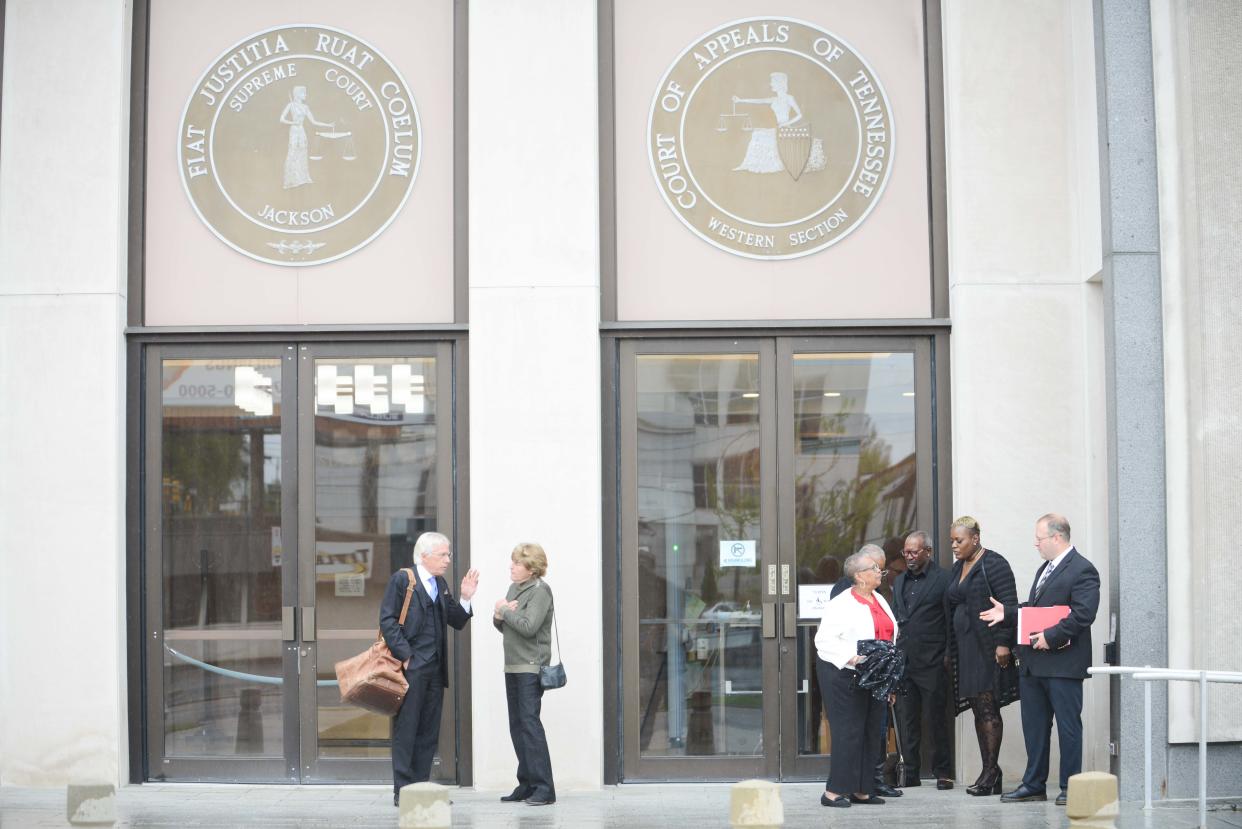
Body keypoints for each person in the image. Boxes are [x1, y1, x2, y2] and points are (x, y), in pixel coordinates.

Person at [982, 514, 1100, 806]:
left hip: (1064, 665)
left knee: (1068, 727)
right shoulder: (1044, 569)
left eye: (1040, 538)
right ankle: (1033, 784)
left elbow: (1083, 614)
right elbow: (1036, 610)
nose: (1036, 543)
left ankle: (1070, 788)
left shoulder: (1083, 570)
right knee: (1034, 727)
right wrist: (1008, 613)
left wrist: (1052, 636)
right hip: (1034, 664)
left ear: (1057, 537)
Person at [379, 532, 479, 806]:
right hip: (412, 668)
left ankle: (419, 788)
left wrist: (466, 598)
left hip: (435, 670)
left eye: (448, 554)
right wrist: (406, 657)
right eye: (443, 554)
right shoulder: (403, 580)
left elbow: (456, 620)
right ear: (424, 556)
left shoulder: (440, 583)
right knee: (406, 728)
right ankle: (402, 790)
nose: (448, 559)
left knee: (428, 731)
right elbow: (388, 621)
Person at [814, 551, 899, 808]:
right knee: (848, 731)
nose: (879, 571)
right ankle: (834, 792)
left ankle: (862, 789)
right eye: (874, 568)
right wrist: (851, 657)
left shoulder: (879, 599)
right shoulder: (840, 603)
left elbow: (890, 631)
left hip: (875, 674)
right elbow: (823, 641)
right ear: (860, 576)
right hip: (843, 674)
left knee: (871, 729)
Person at [945, 516, 1020, 797]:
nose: (954, 545)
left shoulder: (994, 564)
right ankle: (991, 771)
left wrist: (1003, 644)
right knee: (978, 709)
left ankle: (990, 772)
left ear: (975, 539)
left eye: (959, 540)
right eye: (952, 540)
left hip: (987, 648)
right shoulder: (957, 568)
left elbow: (1008, 605)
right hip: (965, 649)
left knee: (988, 708)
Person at [493, 542, 557, 806]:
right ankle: (527, 784)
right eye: (513, 561)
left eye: (517, 563)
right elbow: (505, 626)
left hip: (530, 667)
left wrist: (505, 610)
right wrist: (499, 615)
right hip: (512, 666)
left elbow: (529, 627)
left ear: (532, 569)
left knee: (530, 726)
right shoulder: (514, 589)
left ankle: (544, 788)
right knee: (517, 726)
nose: (512, 566)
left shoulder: (540, 591)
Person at [891, 530, 953, 790]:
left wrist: (949, 653)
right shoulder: (900, 580)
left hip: (933, 660)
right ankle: (911, 773)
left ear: (928, 551)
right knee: (907, 720)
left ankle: (943, 772)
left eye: (915, 552)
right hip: (906, 660)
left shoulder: (943, 579)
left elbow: (950, 620)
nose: (910, 557)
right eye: (906, 552)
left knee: (937, 718)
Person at [278, 85, 330, 189]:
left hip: (301, 131)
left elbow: (314, 121)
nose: (305, 95)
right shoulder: (291, 105)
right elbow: (281, 119)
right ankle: (291, 180)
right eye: (303, 93)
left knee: (302, 153)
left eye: (305, 93)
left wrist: (328, 125)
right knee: (293, 153)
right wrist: (292, 122)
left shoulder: (305, 107)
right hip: (294, 130)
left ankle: (302, 178)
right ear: (297, 94)